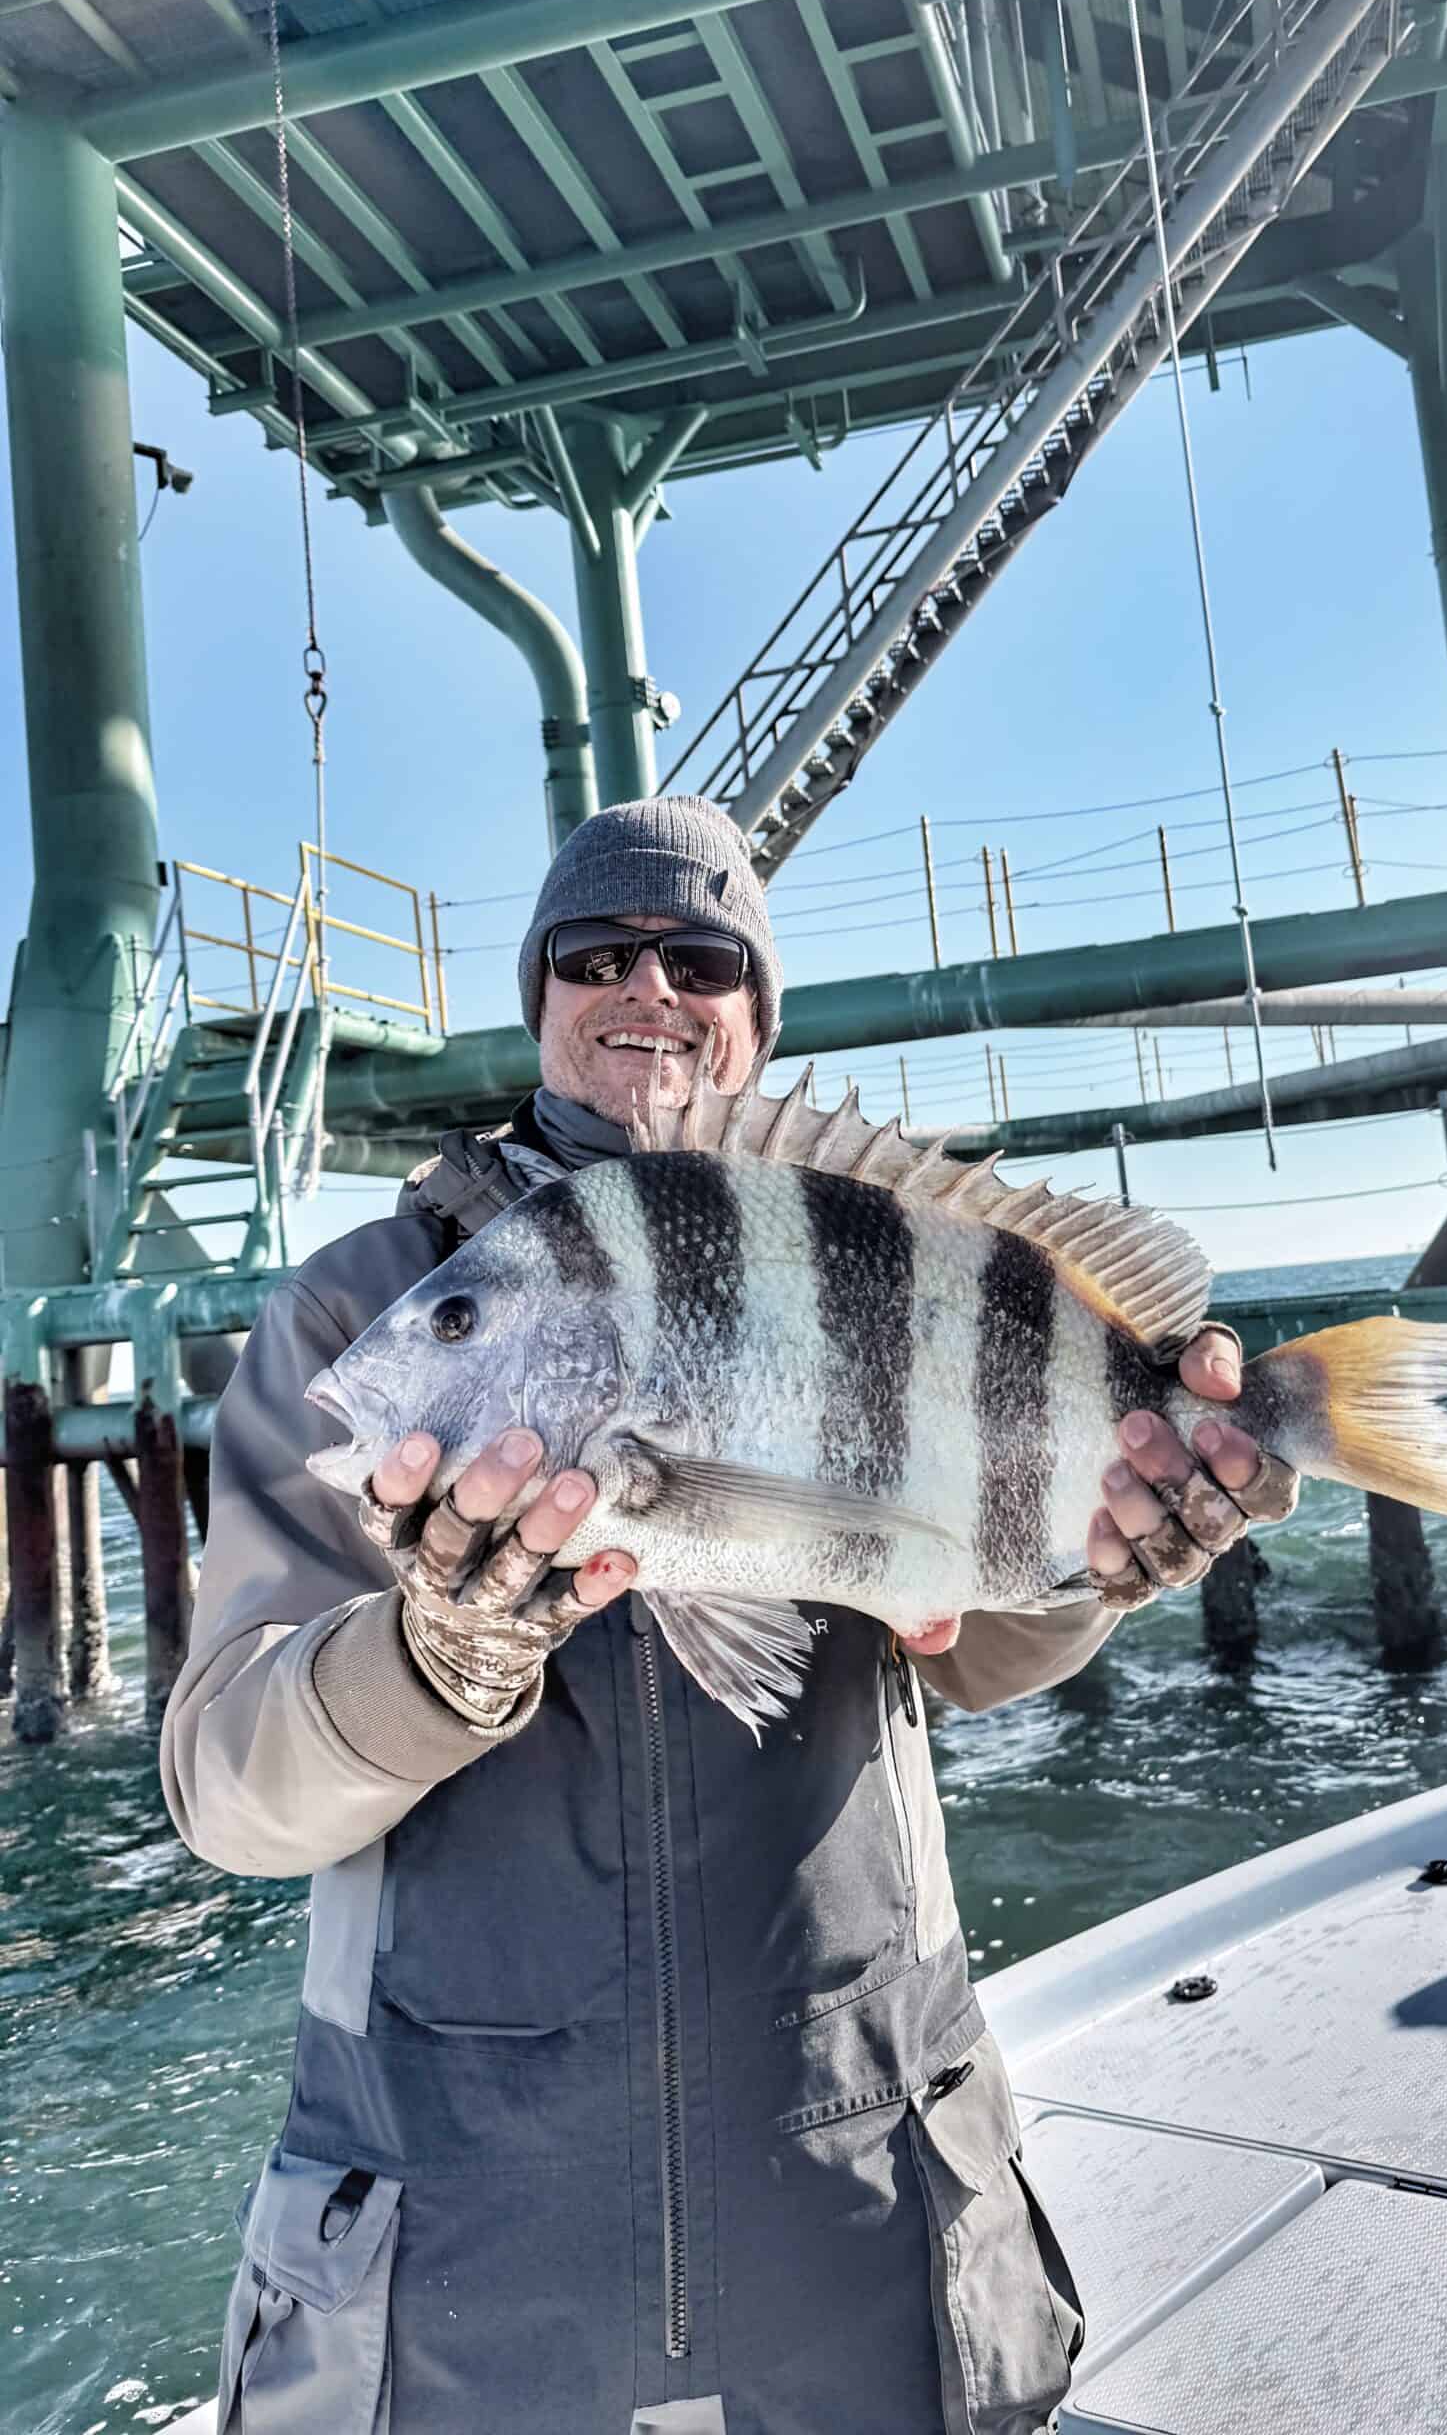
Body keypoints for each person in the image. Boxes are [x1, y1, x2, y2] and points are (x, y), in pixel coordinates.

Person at [163, 797, 1298, 2435]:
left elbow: (969, 1639)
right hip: (467, 2244)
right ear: (539, 994)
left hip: (862, 2189)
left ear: (758, 1016)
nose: (649, 984)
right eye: (596, 951)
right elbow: (226, 1790)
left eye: (702, 958)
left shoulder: (881, 1249)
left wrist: (1093, 1574)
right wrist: (436, 1657)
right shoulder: (359, 1314)